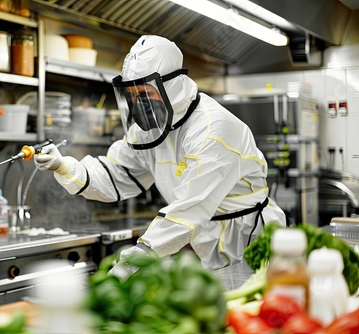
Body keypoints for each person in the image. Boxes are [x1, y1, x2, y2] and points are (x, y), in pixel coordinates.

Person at [34, 35, 286, 280]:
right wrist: (65, 166)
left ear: (172, 86)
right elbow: (117, 174)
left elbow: (190, 209)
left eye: (145, 93)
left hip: (246, 247)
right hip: (201, 243)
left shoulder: (213, 130)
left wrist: (138, 257)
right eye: (132, 95)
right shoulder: (152, 126)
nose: (137, 103)